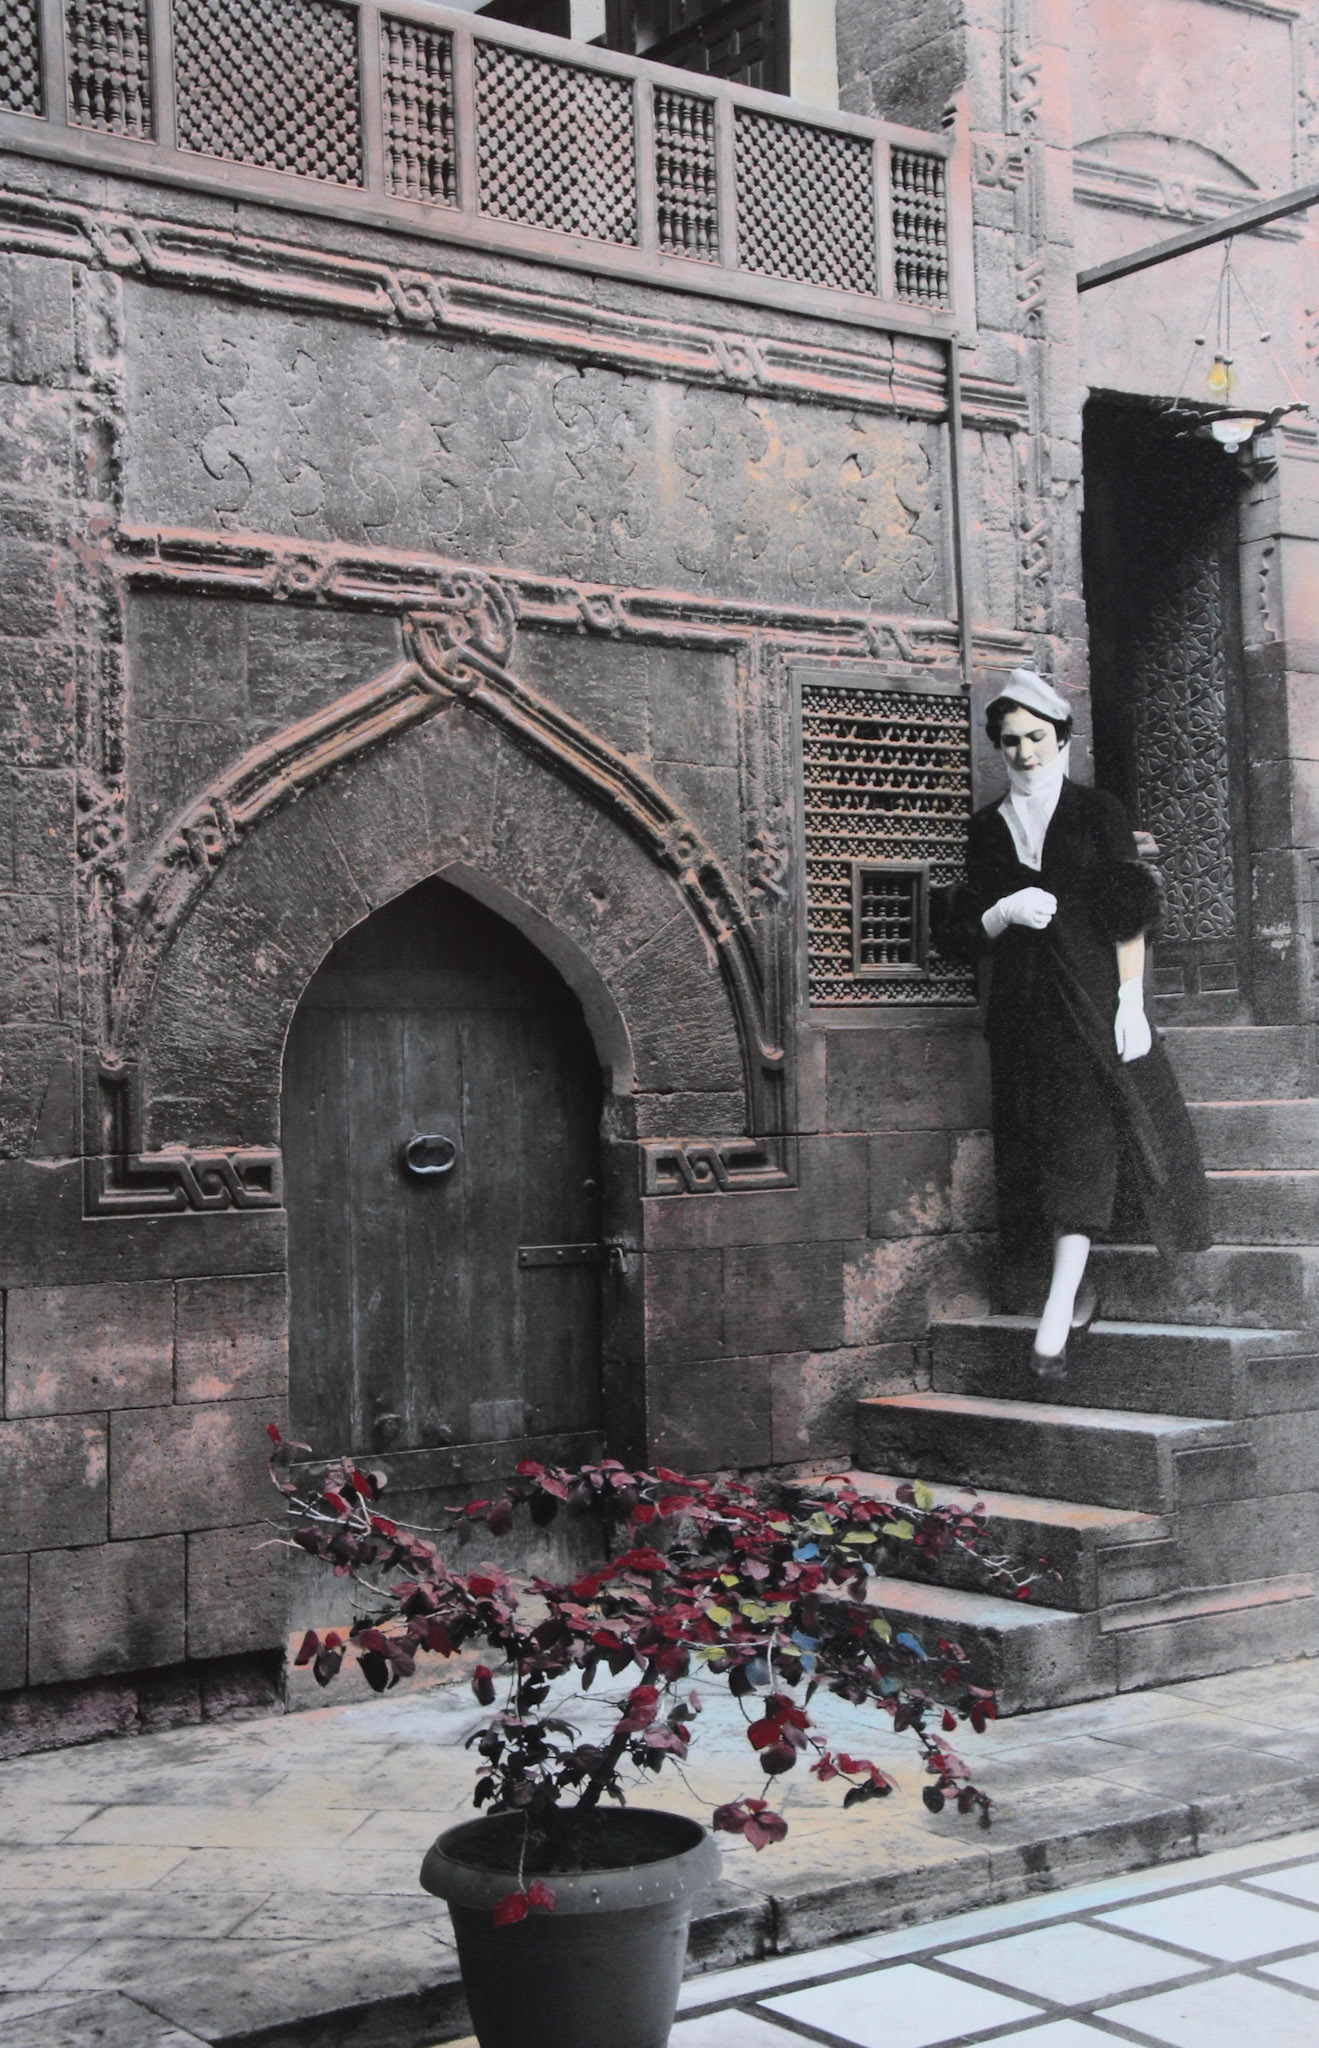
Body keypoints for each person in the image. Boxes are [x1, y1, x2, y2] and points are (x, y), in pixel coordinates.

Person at [939, 670, 1212, 1376]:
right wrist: (1001, 913)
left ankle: (1054, 1319)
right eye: (1010, 742)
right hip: (1022, 1010)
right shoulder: (985, 829)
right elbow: (961, 930)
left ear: (1060, 738)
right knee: (1040, 1144)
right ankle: (1076, 1290)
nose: (1024, 752)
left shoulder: (1097, 812)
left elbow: (1127, 912)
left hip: (1090, 997)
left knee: (1084, 1139)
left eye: (1036, 737)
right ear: (997, 749)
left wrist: (1129, 1003)